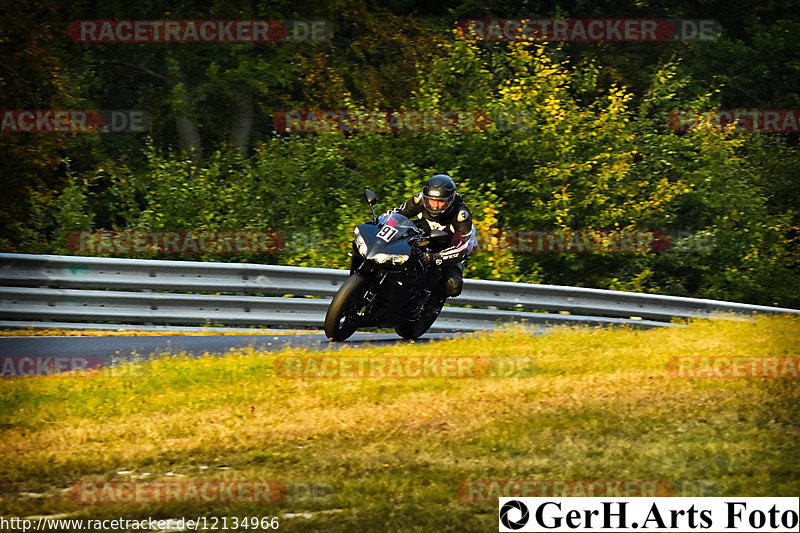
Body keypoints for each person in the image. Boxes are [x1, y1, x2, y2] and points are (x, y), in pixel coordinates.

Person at [386, 174, 477, 297]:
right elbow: (397, 214)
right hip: (422, 236)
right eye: (431, 200)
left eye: (440, 202)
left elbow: (461, 248)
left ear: (450, 200)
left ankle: (431, 303)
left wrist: (433, 257)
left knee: (453, 286)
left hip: (449, 246)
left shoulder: (461, 215)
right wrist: (380, 225)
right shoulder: (420, 199)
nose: (435, 206)